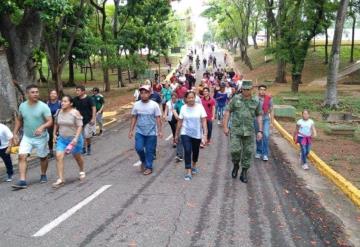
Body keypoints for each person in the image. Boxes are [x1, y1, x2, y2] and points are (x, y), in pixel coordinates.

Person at [12, 84, 53, 189]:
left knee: (43, 157)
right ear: (27, 94)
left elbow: (50, 121)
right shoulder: (22, 106)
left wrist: (42, 127)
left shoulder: (43, 106)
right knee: (22, 156)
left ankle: (43, 174)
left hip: (41, 137)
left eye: (37, 92)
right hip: (27, 137)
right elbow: (19, 120)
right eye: (33, 92)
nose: (35, 94)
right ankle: (22, 180)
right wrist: (15, 133)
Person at [223, 80, 263, 184]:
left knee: (248, 152)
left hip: (249, 131)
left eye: (248, 89)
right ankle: (236, 165)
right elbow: (228, 112)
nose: (246, 91)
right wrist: (225, 127)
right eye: (244, 89)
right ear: (242, 89)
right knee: (235, 150)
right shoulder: (235, 99)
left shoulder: (256, 101)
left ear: (251, 89)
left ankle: (244, 171)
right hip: (236, 129)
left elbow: (259, 115)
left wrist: (260, 130)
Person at [129, 85, 163, 175]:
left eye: (146, 93)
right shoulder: (136, 105)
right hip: (140, 132)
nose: (143, 95)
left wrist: (159, 131)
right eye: (142, 93)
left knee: (149, 150)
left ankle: (149, 167)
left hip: (151, 132)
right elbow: (134, 118)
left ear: (149, 93)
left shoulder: (154, 105)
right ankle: (143, 160)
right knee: (139, 148)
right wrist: (131, 130)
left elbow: (158, 118)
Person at [52, 95, 85, 188]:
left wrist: (76, 138)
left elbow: (79, 126)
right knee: (59, 156)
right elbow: (56, 124)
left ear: (71, 103)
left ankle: (81, 170)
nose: (63, 103)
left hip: (74, 140)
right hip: (62, 139)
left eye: (65, 101)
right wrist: (54, 134)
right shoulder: (58, 112)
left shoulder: (75, 113)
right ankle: (61, 179)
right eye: (62, 101)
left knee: (77, 157)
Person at [175, 91, 207, 181]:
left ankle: (194, 165)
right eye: (189, 98)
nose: (191, 99)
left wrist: (205, 134)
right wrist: (176, 135)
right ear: (186, 99)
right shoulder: (183, 108)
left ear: (195, 98)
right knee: (188, 150)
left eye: (192, 97)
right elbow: (180, 121)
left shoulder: (200, 107)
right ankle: (188, 171)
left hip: (197, 133)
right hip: (185, 133)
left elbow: (204, 120)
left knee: (195, 151)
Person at [73, 85, 96, 155]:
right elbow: (72, 107)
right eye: (76, 90)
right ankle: (83, 148)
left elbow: (94, 108)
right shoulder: (75, 99)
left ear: (83, 91)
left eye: (78, 90)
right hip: (79, 121)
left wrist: (93, 118)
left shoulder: (89, 99)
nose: (77, 92)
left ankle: (88, 147)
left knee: (87, 135)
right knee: (80, 136)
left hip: (88, 120)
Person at [255, 84, 274, 161]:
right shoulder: (255, 99)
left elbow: (272, 110)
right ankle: (258, 151)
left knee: (266, 135)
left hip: (266, 119)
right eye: (261, 89)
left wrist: (272, 122)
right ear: (258, 90)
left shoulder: (269, 99)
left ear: (265, 91)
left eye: (264, 90)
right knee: (258, 135)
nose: (262, 91)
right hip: (256, 119)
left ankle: (265, 153)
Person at [47, 89, 61, 158]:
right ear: (49, 95)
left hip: (58, 122)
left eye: (54, 93)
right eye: (51, 93)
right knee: (50, 137)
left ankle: (59, 150)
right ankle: (51, 151)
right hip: (50, 122)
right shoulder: (47, 103)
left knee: (58, 136)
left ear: (57, 95)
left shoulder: (59, 103)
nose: (53, 95)